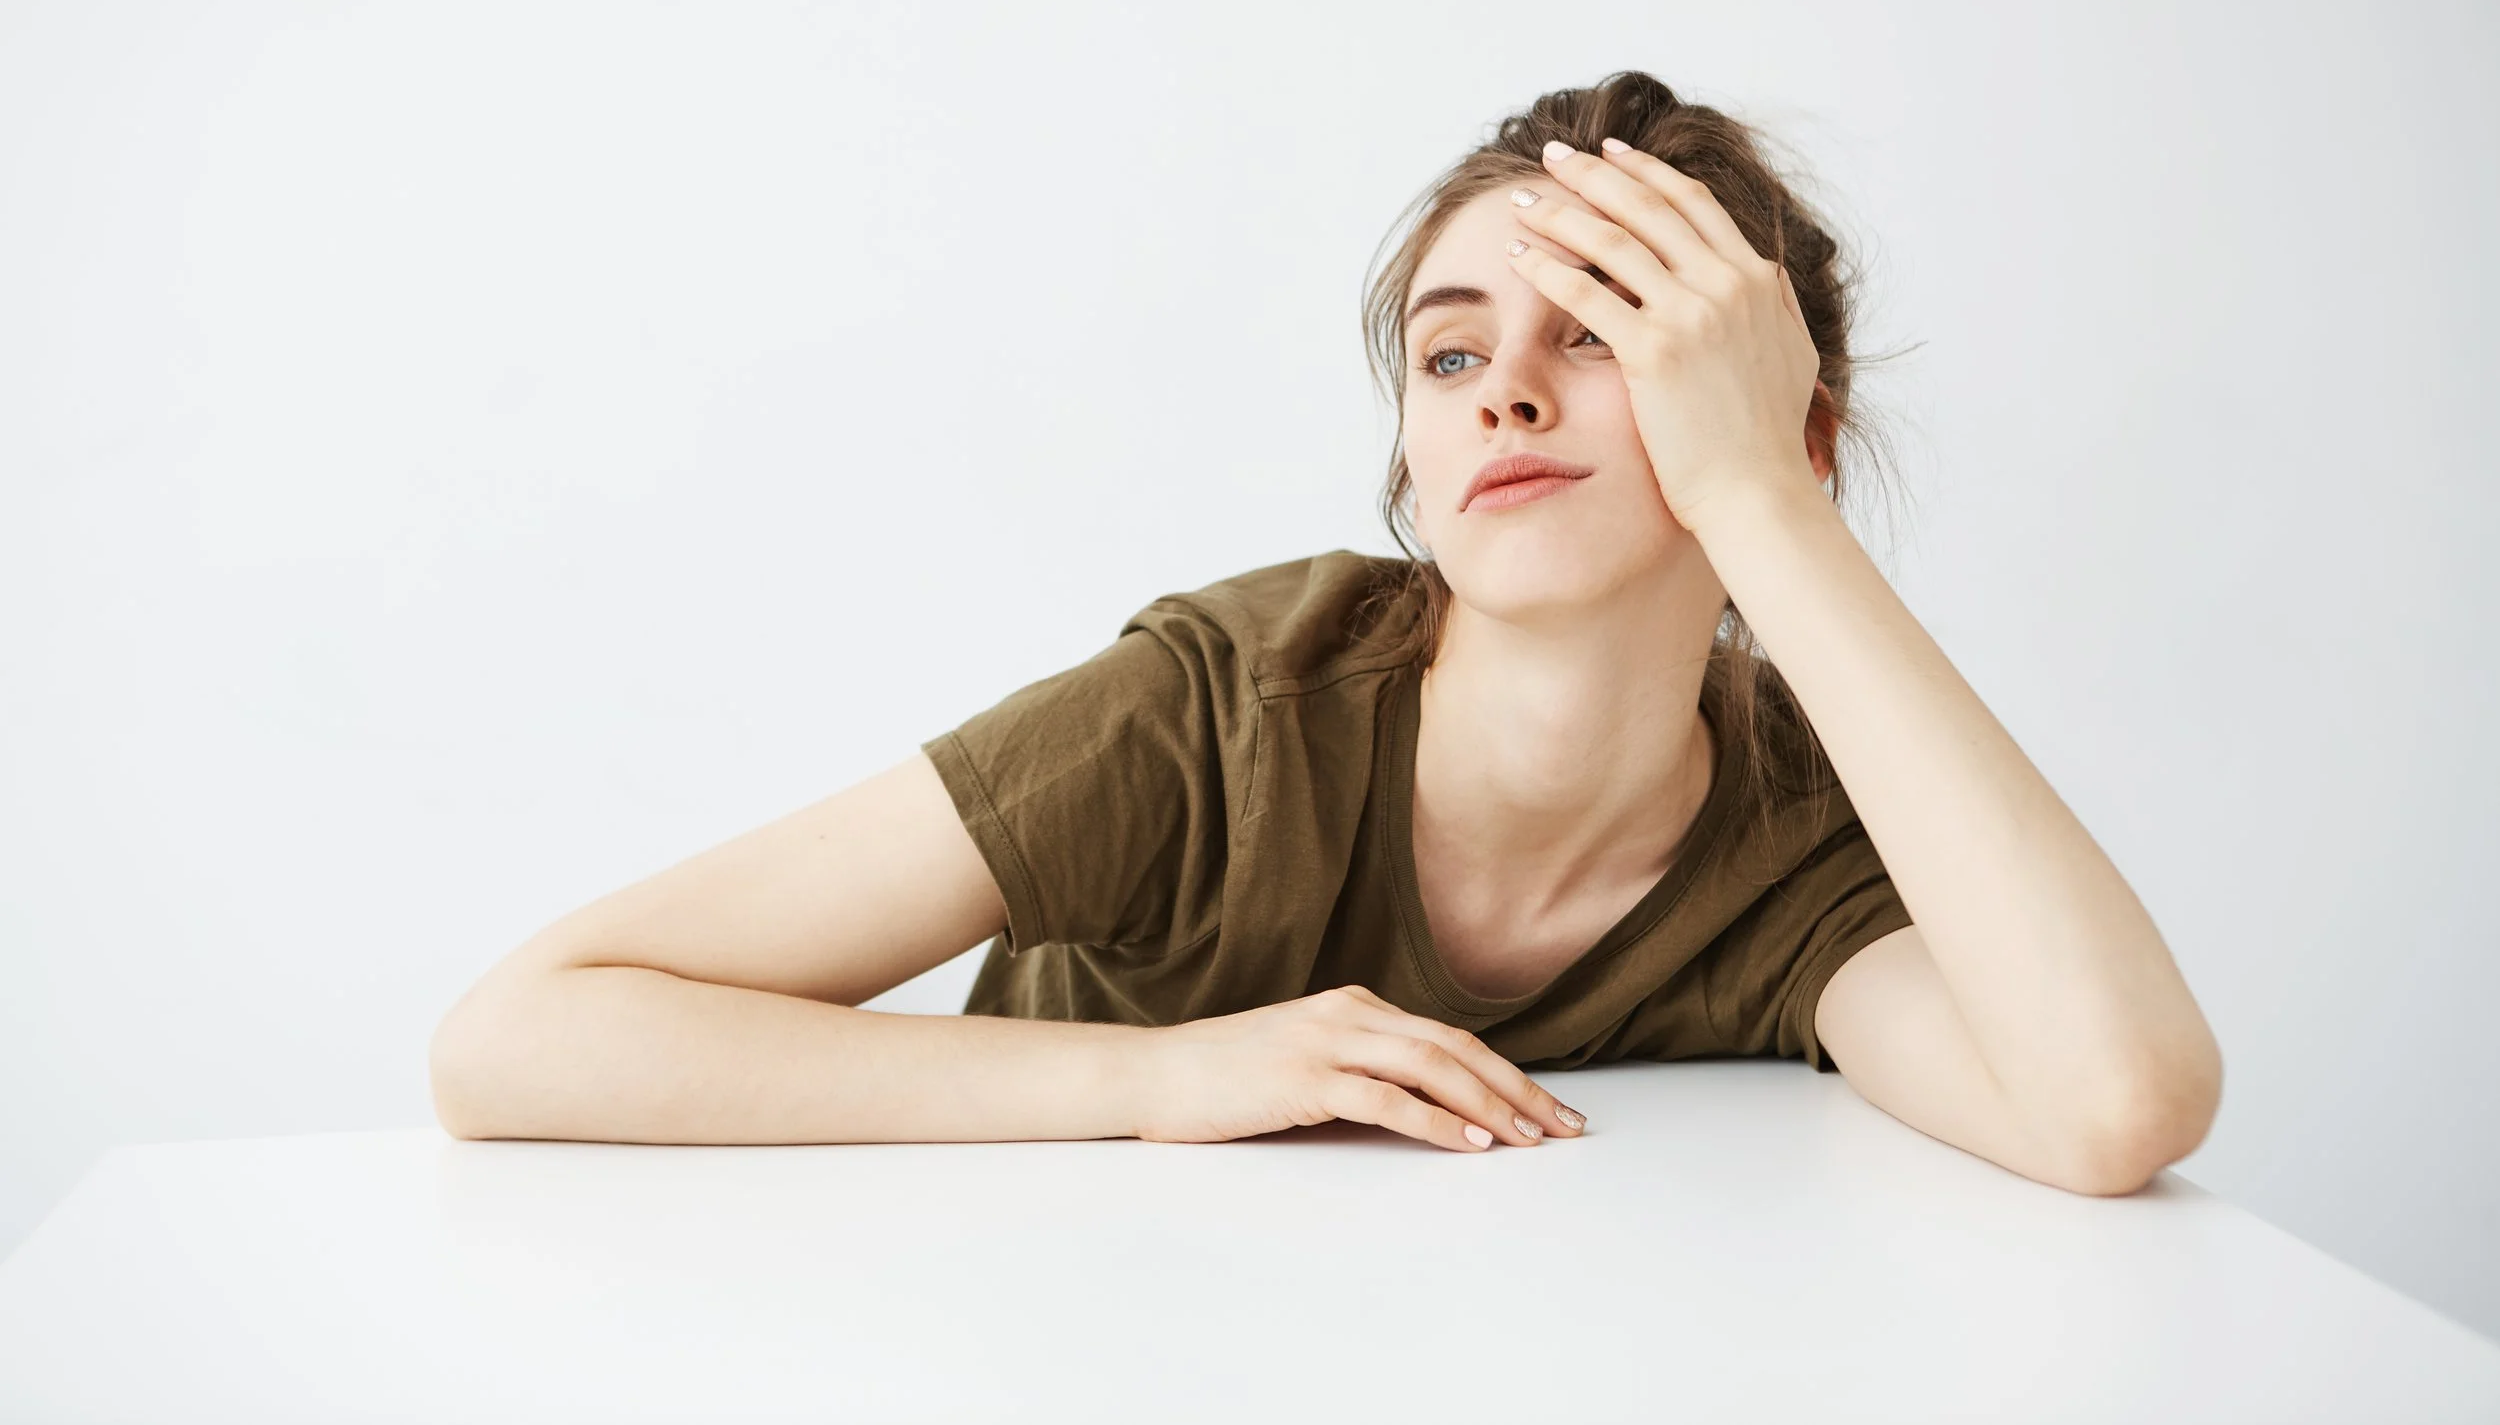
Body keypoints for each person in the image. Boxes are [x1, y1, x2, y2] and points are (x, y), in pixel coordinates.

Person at [428, 71, 2222, 1195]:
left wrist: (1764, 495)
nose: (1504, 392)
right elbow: (520, 1035)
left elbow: (2115, 1105)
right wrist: (1166, 1074)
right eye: (1451, 352)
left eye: (1605, 330)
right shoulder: (1224, 710)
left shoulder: (1810, 816)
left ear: (1782, 417)